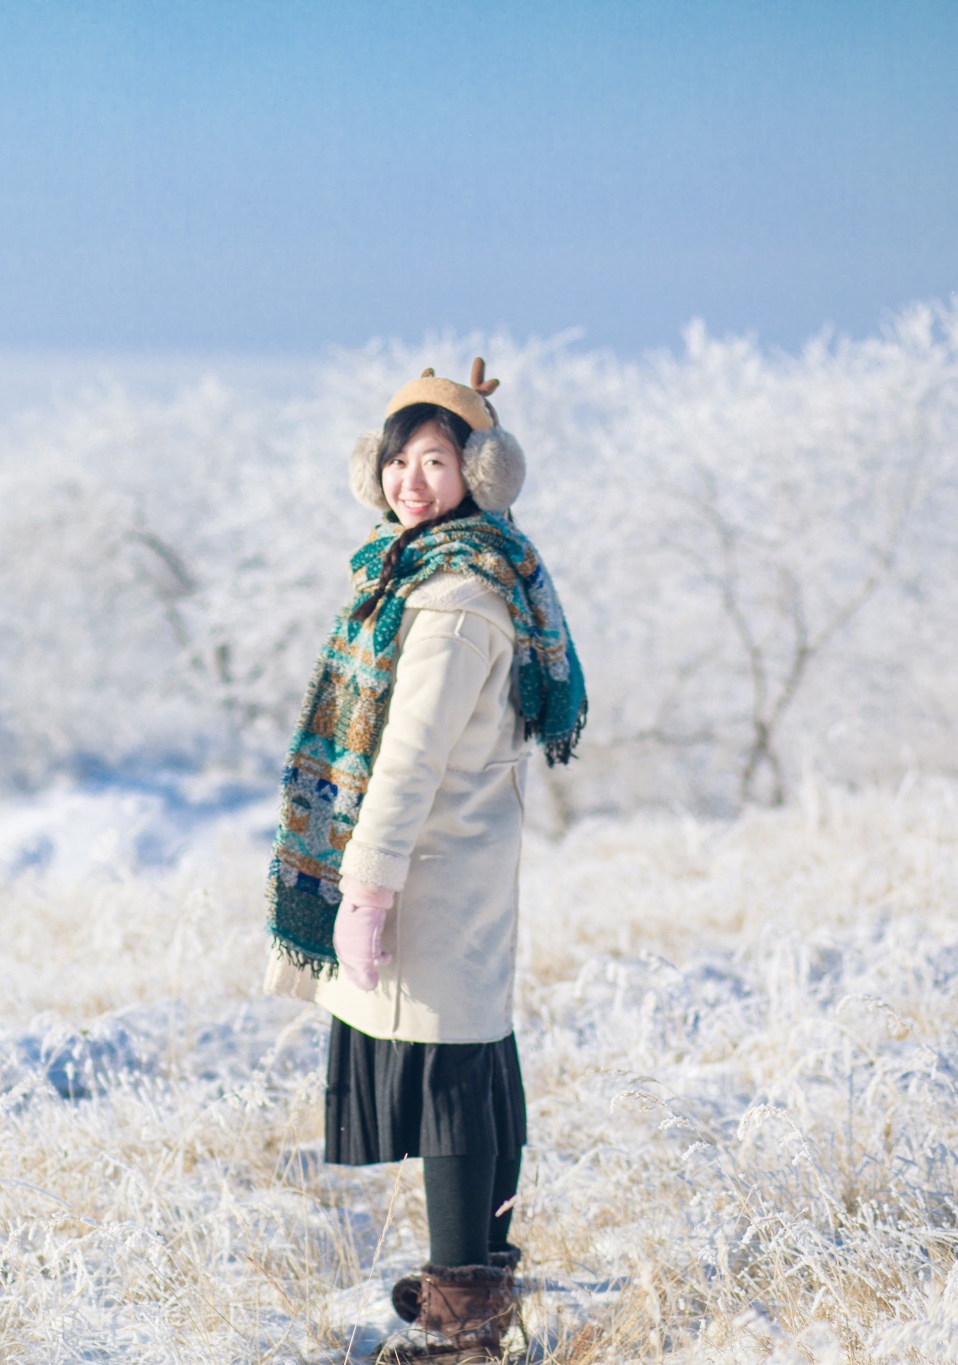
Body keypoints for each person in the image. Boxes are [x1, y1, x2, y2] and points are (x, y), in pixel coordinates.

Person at [263, 360, 586, 1363]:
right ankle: (479, 1276)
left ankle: (462, 1327)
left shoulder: (449, 597)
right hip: (458, 857)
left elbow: (407, 757)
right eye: (397, 459)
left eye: (436, 461)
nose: (410, 480)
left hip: (428, 864)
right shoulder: (453, 570)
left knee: (452, 1081)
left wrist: (365, 882)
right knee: (476, 1065)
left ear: (479, 473)